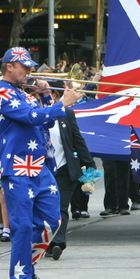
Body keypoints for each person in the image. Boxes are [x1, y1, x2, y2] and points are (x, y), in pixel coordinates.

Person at [0, 47, 81, 279]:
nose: (30, 72)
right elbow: (30, 118)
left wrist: (47, 96)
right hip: (17, 167)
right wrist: (63, 102)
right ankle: (20, 278)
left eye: (31, 67)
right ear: (10, 66)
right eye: (25, 67)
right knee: (21, 227)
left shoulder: (25, 94)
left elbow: (48, 121)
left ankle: (28, 266)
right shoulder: (1, 94)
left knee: (53, 221)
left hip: (40, 165)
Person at [45, 87, 96, 260]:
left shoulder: (67, 114)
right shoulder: (35, 116)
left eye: (53, 97)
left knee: (61, 207)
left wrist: (89, 164)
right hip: (43, 169)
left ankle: (58, 242)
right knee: (45, 207)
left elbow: (77, 139)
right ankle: (46, 242)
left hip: (65, 168)